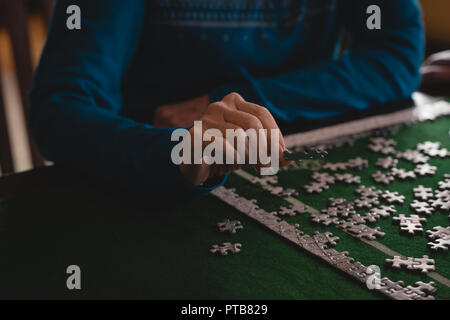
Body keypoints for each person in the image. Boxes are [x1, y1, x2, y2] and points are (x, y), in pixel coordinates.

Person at [29, 0, 424, 200]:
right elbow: (60, 109)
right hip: (143, 184)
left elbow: (397, 55)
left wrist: (236, 103)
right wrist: (181, 150)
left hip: (299, 174)